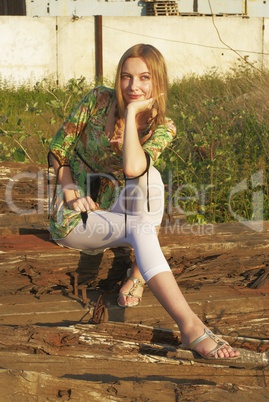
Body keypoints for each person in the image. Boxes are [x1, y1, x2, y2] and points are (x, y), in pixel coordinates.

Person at [48, 43, 240, 360]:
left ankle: (140, 272)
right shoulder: (98, 99)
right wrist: (68, 187)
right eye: (126, 77)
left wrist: (134, 113)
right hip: (75, 215)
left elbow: (133, 168)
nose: (133, 86)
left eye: (144, 78)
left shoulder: (163, 126)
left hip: (115, 211)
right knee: (142, 226)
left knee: (150, 177)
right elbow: (58, 147)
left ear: (158, 82)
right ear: (118, 78)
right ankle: (190, 325)